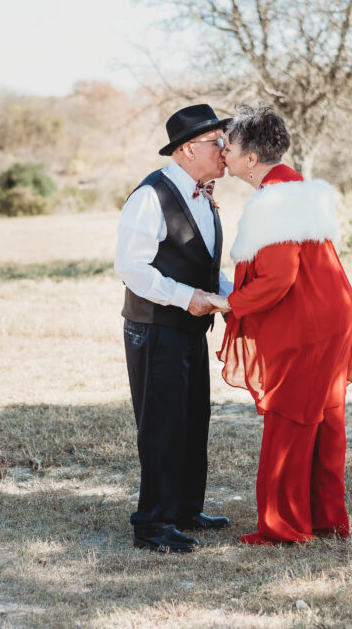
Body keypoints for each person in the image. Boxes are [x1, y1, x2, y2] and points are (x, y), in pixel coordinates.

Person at [216, 105, 352, 546]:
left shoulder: (274, 201)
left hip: (310, 323)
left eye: (229, 146)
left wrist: (228, 303)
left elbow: (279, 277)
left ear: (251, 160)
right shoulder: (296, 186)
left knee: (291, 419)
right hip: (334, 314)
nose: (222, 153)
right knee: (325, 418)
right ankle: (325, 517)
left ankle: (284, 526)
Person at [115, 104, 235, 553]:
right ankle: (152, 525)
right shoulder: (151, 195)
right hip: (155, 328)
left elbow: (203, 266)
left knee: (192, 419)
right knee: (163, 425)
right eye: (217, 143)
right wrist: (190, 299)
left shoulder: (204, 194)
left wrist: (234, 293)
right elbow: (131, 267)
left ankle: (185, 510)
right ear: (187, 149)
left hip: (188, 328)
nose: (226, 150)